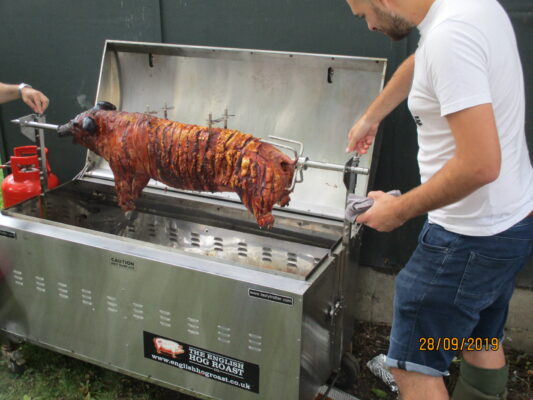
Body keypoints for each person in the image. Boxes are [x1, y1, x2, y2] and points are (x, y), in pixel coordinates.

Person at [344, 0, 533, 399]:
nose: (369, 26)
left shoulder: (451, 36)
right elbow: (424, 60)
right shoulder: (467, 9)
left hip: (465, 241)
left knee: (413, 367)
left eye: (364, 14)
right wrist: (372, 115)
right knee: (479, 338)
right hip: (510, 225)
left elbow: (481, 164)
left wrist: (397, 210)